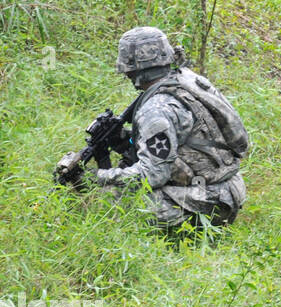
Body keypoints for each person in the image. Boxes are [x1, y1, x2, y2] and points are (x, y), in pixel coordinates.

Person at [62, 27, 249, 228]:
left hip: (207, 202)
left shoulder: (155, 110)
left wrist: (94, 177)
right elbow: (182, 139)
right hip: (229, 188)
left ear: (133, 68)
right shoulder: (187, 80)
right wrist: (124, 139)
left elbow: (151, 176)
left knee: (106, 204)